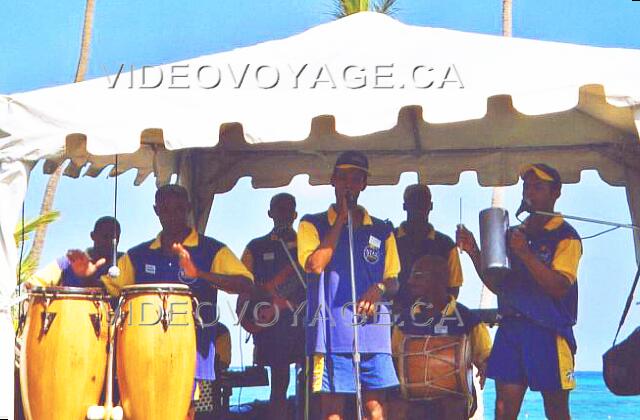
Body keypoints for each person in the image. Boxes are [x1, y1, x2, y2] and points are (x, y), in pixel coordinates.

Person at [101, 184, 254, 419]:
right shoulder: (137, 255)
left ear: (189, 209)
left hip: (191, 353)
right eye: (165, 210)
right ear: (156, 210)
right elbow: (108, 291)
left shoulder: (211, 250)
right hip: (142, 352)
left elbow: (245, 284)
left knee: (183, 412)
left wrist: (200, 274)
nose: (172, 216)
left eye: (179, 209)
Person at [456, 163, 582, 420]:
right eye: (527, 187)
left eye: (538, 187)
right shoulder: (515, 234)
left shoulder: (565, 236)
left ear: (555, 192)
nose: (530, 193)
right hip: (511, 328)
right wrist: (474, 252)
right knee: (503, 408)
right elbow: (499, 285)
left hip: (548, 331)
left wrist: (525, 253)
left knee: (556, 410)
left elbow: (559, 287)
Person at [297, 150, 401, 420]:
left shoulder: (382, 229)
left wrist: (377, 289)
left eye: (355, 179)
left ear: (364, 184)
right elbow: (315, 265)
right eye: (342, 177)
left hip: (373, 333)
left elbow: (394, 280)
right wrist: (341, 220)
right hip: (332, 334)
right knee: (333, 412)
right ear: (332, 180)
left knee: (375, 409)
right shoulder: (312, 224)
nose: (348, 184)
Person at [389, 255, 491, 420]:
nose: (410, 281)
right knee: (396, 408)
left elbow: (485, 354)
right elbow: (393, 357)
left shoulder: (467, 318)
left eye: (418, 276)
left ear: (438, 279)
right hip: (413, 397)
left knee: (452, 407)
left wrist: (485, 364)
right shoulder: (405, 320)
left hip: (455, 397)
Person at [239, 193, 306, 419]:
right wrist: (266, 302)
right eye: (279, 209)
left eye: (288, 210)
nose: (283, 214)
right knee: (279, 383)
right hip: (271, 326)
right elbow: (242, 285)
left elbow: (316, 287)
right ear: (270, 213)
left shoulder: (308, 247)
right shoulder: (255, 247)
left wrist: (287, 303)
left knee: (309, 383)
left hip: (305, 322)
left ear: (295, 214)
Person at [394, 184, 463, 312]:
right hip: (396, 317)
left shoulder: (446, 245)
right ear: (405, 206)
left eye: (422, 203)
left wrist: (440, 313)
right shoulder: (390, 240)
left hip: (432, 318)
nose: (418, 208)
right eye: (413, 203)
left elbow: (454, 287)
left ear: (430, 206)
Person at [28, 216, 122, 289]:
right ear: (93, 236)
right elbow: (34, 283)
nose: (109, 241)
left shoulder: (125, 262)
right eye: (105, 236)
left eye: (114, 238)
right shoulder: (68, 262)